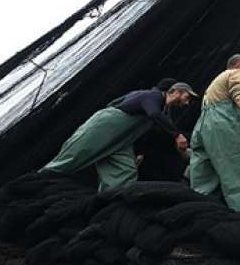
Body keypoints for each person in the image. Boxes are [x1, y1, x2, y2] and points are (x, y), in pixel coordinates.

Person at [42, 81, 197, 190]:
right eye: (187, 97)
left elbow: (148, 132)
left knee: (124, 172)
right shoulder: (153, 96)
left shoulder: (164, 113)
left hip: (121, 141)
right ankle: (39, 181)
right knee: (72, 157)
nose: (186, 103)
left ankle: (105, 205)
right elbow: (152, 113)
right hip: (104, 128)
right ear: (176, 91)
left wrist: (140, 152)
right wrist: (177, 135)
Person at [188, 54, 240, 213]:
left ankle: (200, 214)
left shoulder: (215, 82)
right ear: (239, 65)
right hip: (222, 125)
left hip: (203, 127)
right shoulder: (236, 74)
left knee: (204, 178)